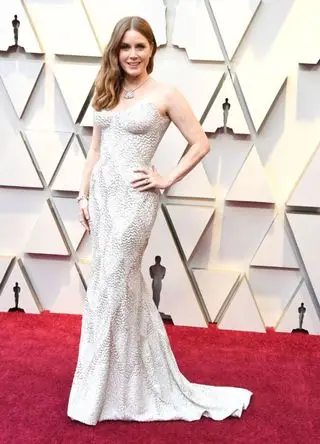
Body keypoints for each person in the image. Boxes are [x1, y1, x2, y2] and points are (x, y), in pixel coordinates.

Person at [67, 16, 252, 426]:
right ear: (116, 51)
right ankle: (123, 382)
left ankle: (95, 393)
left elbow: (200, 142)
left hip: (134, 201)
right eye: (125, 47)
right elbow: (95, 151)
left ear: (152, 49)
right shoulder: (106, 90)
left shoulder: (166, 93)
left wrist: (166, 177)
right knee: (112, 286)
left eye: (140, 46)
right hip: (102, 197)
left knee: (110, 288)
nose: (132, 54)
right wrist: (82, 194)